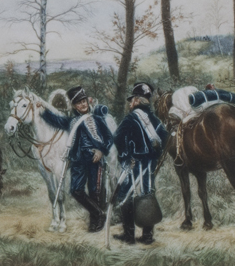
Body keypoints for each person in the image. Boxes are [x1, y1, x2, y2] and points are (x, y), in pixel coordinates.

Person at [39, 84, 113, 232]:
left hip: (95, 160)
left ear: (87, 101)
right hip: (78, 161)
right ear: (74, 106)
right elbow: (55, 120)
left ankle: (95, 222)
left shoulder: (97, 119)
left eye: (84, 101)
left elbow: (109, 138)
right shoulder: (71, 121)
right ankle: (99, 213)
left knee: (94, 191)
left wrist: (101, 151)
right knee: (75, 190)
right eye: (79, 103)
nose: (82, 104)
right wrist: (42, 110)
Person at [112, 81, 169, 244]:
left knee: (125, 196)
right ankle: (147, 236)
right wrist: (155, 155)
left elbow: (117, 137)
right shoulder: (155, 119)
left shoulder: (130, 118)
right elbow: (164, 139)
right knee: (147, 194)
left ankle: (129, 236)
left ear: (137, 100)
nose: (130, 103)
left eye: (132, 100)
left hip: (133, 163)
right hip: (148, 165)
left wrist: (124, 156)